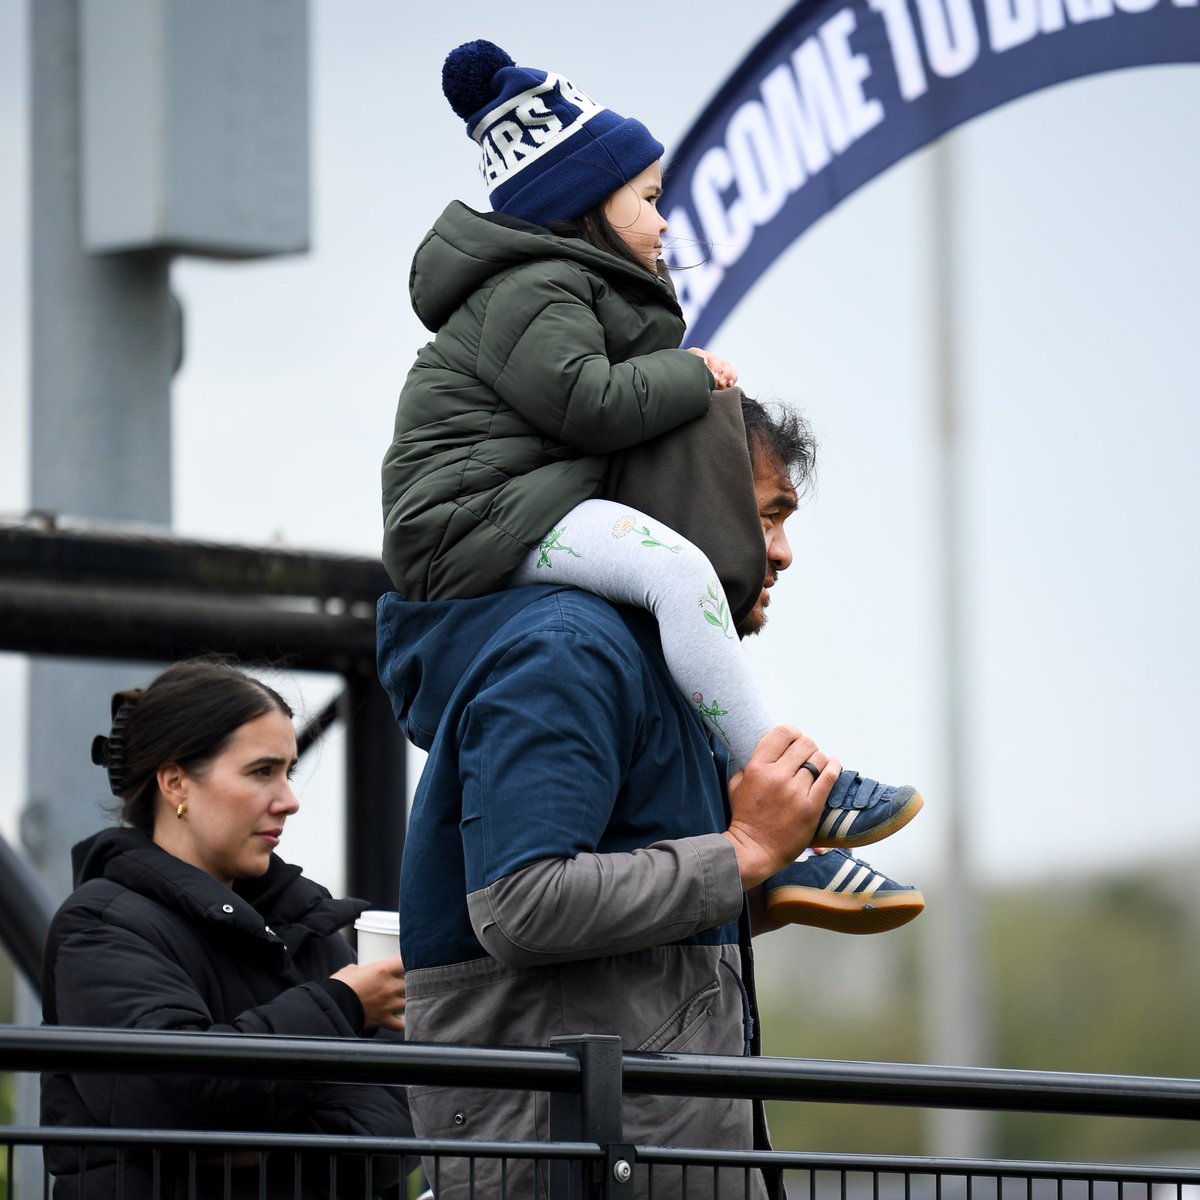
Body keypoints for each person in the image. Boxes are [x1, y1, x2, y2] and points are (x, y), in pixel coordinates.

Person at [380, 40, 923, 916]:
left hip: (504, 509)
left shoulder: (559, 285)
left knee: (669, 613)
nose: (666, 222)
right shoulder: (535, 285)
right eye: (648, 199)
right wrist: (692, 373)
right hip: (470, 522)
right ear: (583, 204)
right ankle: (794, 788)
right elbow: (586, 404)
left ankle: (770, 843)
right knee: (676, 572)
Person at [377, 394, 917, 1199]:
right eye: (769, 516)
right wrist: (743, 853)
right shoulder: (567, 653)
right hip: (569, 1170)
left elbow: (608, 914)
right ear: (693, 501)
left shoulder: (641, 659)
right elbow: (520, 903)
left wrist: (743, 890)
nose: (785, 553)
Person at [40, 660, 412, 1200]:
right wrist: (342, 1005)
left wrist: (256, 1148)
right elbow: (175, 1093)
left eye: (288, 771)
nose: (289, 799)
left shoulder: (304, 925)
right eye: (262, 772)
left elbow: (394, 1120)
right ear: (175, 783)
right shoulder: (101, 924)